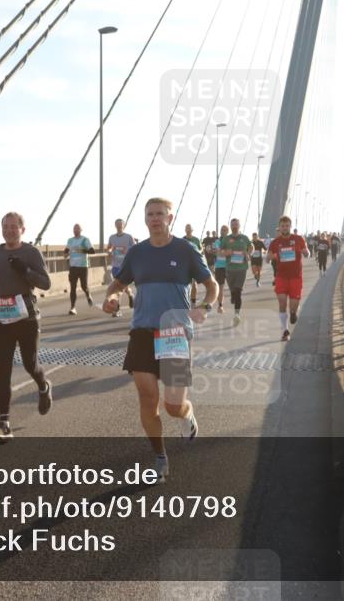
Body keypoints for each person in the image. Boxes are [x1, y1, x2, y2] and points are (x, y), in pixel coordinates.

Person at [102, 198, 217, 483]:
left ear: (170, 218)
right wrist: (112, 297)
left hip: (174, 333)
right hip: (142, 331)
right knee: (147, 397)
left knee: (173, 406)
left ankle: (187, 414)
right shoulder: (137, 252)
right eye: (150, 214)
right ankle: (160, 458)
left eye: (160, 214)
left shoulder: (186, 250)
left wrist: (204, 307)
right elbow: (118, 283)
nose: (155, 218)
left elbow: (211, 285)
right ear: (145, 219)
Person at [0, 212, 53, 439]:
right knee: (3, 369)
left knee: (30, 364)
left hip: (26, 317)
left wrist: (25, 271)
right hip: (1, 317)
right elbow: (0, 279)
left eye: (13, 227)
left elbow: (46, 283)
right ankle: (4, 423)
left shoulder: (31, 252)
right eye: (5, 227)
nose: (9, 231)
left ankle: (44, 386)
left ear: (22, 230)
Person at [267, 215, 309, 342]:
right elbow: (268, 257)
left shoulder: (298, 239)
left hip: (296, 277)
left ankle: (293, 313)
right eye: (282, 226)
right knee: (282, 302)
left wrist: (306, 253)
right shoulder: (275, 242)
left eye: (287, 226)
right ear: (279, 227)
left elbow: (306, 252)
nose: (285, 228)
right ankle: (285, 331)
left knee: (293, 306)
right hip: (281, 277)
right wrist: (268, 258)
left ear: (290, 226)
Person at [220, 218, 252, 327]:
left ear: (239, 226)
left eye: (236, 224)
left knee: (238, 291)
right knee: (233, 291)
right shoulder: (226, 239)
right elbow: (219, 252)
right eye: (233, 225)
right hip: (230, 269)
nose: (234, 226)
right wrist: (226, 252)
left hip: (242, 268)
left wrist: (248, 254)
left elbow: (251, 246)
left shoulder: (244, 238)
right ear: (230, 226)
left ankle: (237, 314)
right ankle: (232, 295)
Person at [106, 218, 136, 317]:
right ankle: (130, 294)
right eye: (117, 224)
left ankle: (116, 309)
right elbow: (109, 247)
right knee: (119, 287)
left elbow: (136, 248)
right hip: (115, 266)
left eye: (121, 224)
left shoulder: (129, 237)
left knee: (118, 288)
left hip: (126, 266)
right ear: (115, 226)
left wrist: (128, 251)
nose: (119, 226)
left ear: (124, 226)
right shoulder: (112, 237)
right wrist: (109, 251)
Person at [64, 223, 94, 315]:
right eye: (74, 229)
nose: (76, 230)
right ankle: (73, 308)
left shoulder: (85, 240)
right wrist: (65, 254)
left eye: (77, 229)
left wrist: (82, 250)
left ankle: (88, 295)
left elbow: (92, 251)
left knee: (84, 286)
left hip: (83, 266)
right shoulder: (70, 240)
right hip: (73, 267)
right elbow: (66, 250)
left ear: (81, 230)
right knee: (73, 287)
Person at [183, 223, 202, 307]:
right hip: (185, 265)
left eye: (189, 228)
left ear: (192, 230)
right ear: (185, 230)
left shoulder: (196, 240)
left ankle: (193, 303)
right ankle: (186, 301)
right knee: (185, 285)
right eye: (187, 228)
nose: (188, 230)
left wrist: (198, 252)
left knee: (194, 284)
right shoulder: (182, 240)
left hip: (194, 264)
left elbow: (201, 249)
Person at [212, 224, 229, 313]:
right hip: (219, 267)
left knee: (233, 287)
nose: (223, 231)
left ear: (228, 231)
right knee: (220, 287)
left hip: (230, 267)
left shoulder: (231, 241)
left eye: (225, 230)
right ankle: (220, 305)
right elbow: (216, 253)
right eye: (222, 230)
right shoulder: (217, 242)